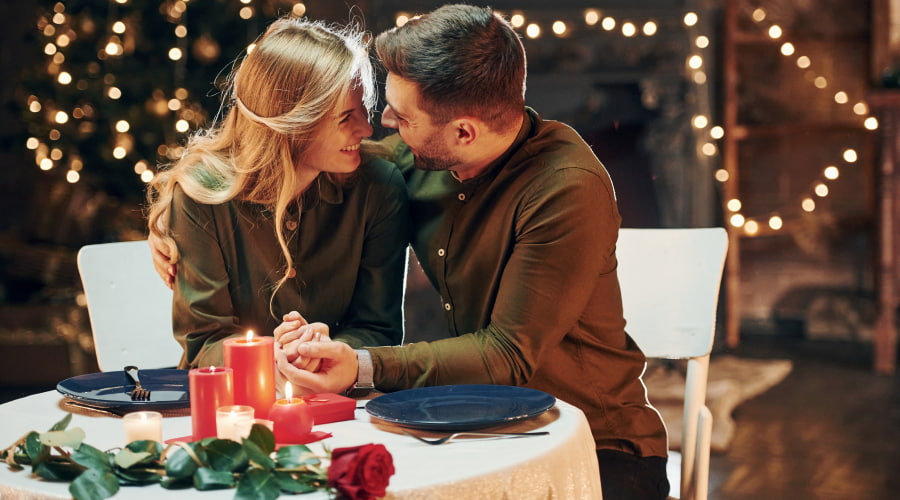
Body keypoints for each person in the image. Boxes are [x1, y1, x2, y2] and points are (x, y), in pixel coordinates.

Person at [151, 6, 669, 499]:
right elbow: (289, 149)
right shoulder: (419, 154)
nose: (380, 128)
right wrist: (168, 213)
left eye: (399, 117)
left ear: (462, 131)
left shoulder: (565, 189)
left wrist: (359, 365)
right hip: (474, 426)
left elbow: (506, 354)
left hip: (590, 442)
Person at [145, 16, 411, 370]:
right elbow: (203, 343)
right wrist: (269, 355)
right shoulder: (201, 198)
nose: (367, 127)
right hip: (233, 405)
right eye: (346, 117)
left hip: (342, 401)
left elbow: (379, 329)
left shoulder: (379, 186)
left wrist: (329, 351)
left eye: (364, 106)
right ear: (292, 125)